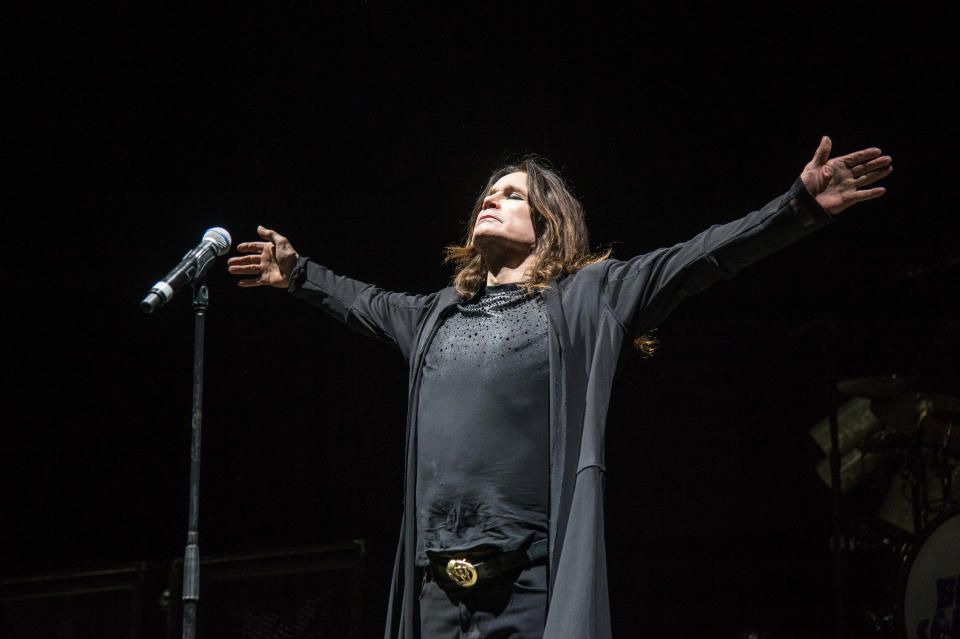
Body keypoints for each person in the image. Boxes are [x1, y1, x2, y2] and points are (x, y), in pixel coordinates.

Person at [227, 136, 892, 639]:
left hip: (530, 585)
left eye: (514, 193)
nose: (492, 197)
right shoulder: (430, 316)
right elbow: (364, 300)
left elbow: (702, 257)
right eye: (489, 192)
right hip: (436, 588)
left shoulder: (590, 298)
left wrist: (798, 207)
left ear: (551, 221)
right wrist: (300, 272)